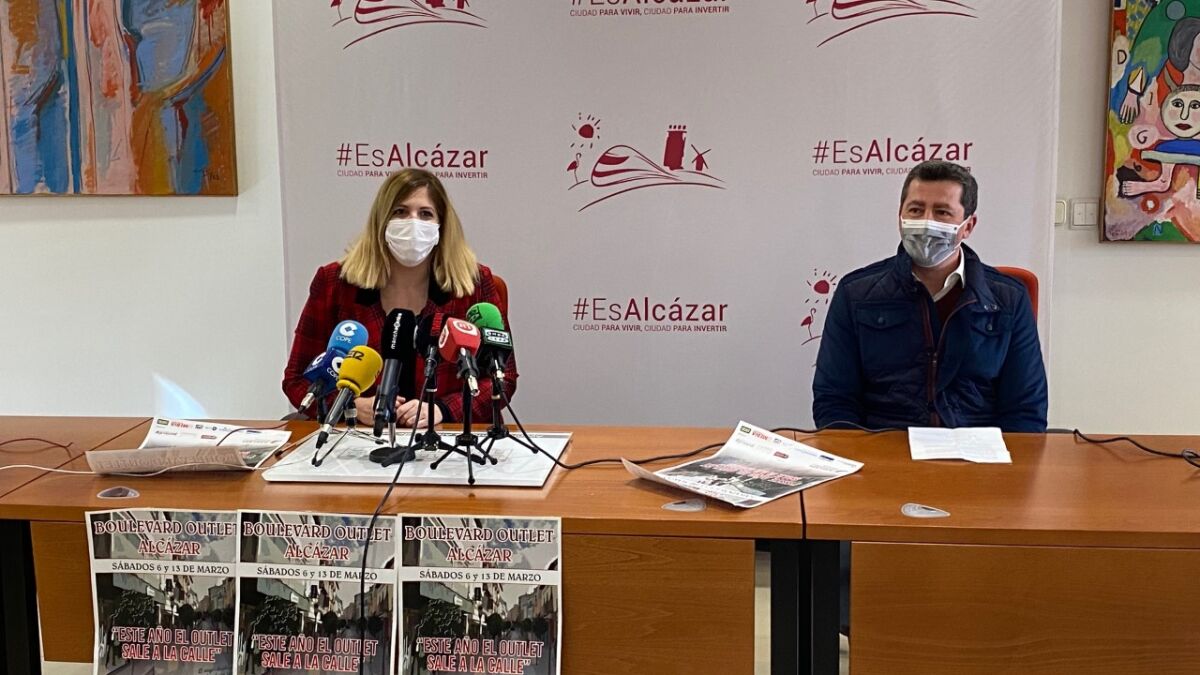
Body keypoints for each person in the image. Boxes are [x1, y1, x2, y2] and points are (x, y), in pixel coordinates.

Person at [813, 160, 1047, 433]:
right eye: (916, 209)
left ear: (968, 226)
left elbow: (1025, 410)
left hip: (976, 450)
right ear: (900, 217)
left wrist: (999, 459)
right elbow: (834, 401)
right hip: (883, 444)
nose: (926, 222)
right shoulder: (856, 294)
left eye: (942, 212)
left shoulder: (1009, 299)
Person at [282, 168, 516, 427]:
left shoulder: (474, 284)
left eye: (425, 214)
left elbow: (503, 378)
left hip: (446, 436)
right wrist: (350, 405)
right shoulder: (334, 283)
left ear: (442, 226)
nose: (412, 223)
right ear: (381, 221)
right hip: (361, 437)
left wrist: (442, 410)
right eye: (400, 212)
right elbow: (297, 379)